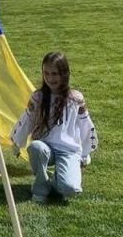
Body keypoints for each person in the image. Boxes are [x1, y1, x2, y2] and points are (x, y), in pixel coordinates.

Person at [10, 52, 97, 203]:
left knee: (70, 189)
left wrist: (85, 153)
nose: (50, 78)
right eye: (46, 73)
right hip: (45, 147)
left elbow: (85, 125)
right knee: (36, 148)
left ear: (65, 74)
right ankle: (41, 186)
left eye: (55, 74)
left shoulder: (75, 99)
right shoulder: (38, 97)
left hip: (68, 150)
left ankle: (57, 181)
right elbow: (27, 119)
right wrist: (18, 141)